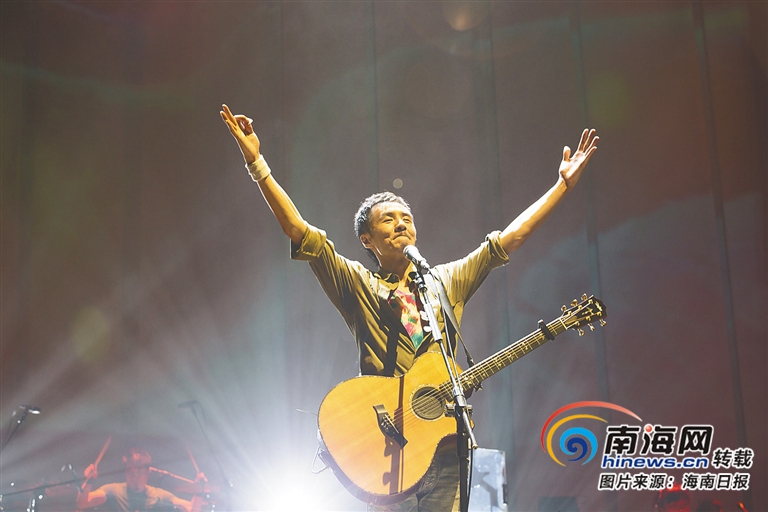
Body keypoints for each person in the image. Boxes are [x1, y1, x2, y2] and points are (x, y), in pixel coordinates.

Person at [221, 104, 597, 511]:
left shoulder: (446, 280)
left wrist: (561, 187)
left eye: (406, 218)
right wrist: (257, 164)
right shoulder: (357, 283)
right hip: (384, 449)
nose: (401, 223)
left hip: (446, 448)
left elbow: (509, 240)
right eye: (388, 220)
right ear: (367, 240)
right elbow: (298, 230)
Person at [76, 447, 203, 512]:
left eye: (139, 471)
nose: (134, 475)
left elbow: (191, 509)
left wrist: (199, 491)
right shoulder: (114, 490)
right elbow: (82, 503)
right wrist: (89, 481)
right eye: (130, 470)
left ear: (148, 473)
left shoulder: (159, 495)